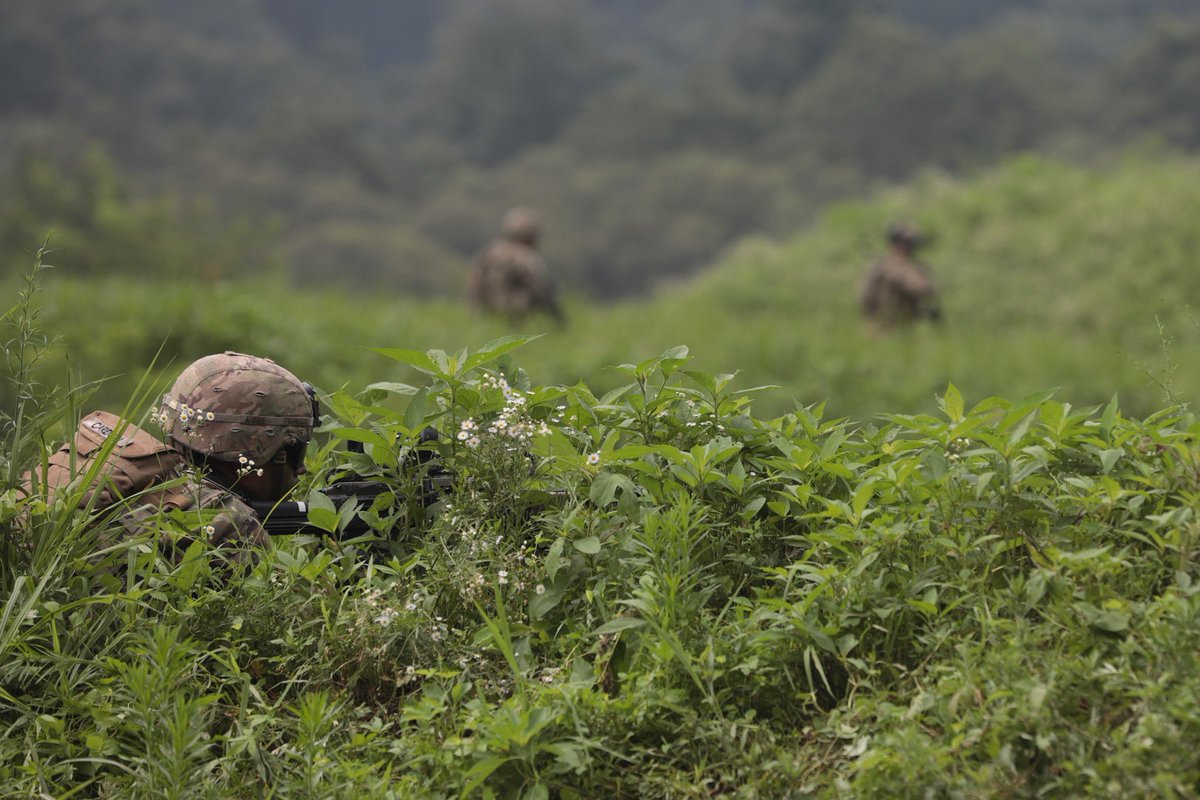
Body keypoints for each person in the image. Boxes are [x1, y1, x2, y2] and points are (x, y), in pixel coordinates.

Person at [23, 351, 316, 565]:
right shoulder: (229, 526)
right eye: (295, 450)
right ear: (259, 449)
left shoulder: (138, 475)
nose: (301, 469)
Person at [467, 207, 564, 325]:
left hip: (487, 309)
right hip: (513, 312)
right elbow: (538, 288)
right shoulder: (525, 257)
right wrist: (558, 318)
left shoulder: (490, 251)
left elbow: (474, 284)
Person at [858, 222, 942, 334]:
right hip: (895, 331)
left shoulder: (879, 265)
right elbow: (922, 288)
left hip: (874, 331)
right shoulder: (900, 267)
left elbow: (863, 296)